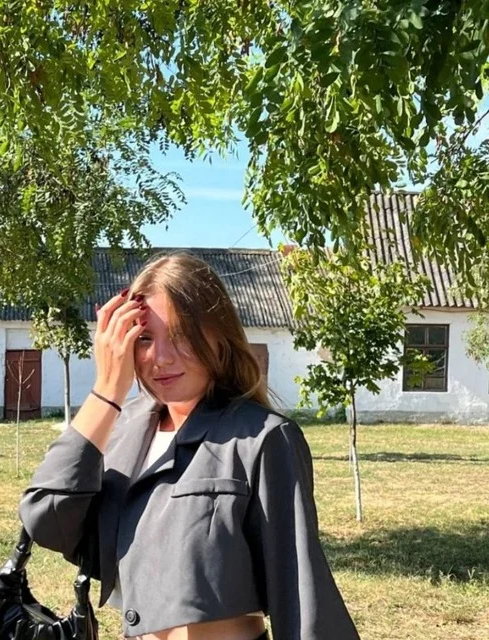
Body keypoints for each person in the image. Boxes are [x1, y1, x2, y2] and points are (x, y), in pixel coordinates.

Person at [19, 252, 360, 640]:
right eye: (144, 338)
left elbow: (300, 592)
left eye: (181, 335)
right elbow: (46, 519)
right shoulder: (123, 428)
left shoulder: (262, 438)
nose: (161, 358)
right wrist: (107, 390)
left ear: (219, 338)